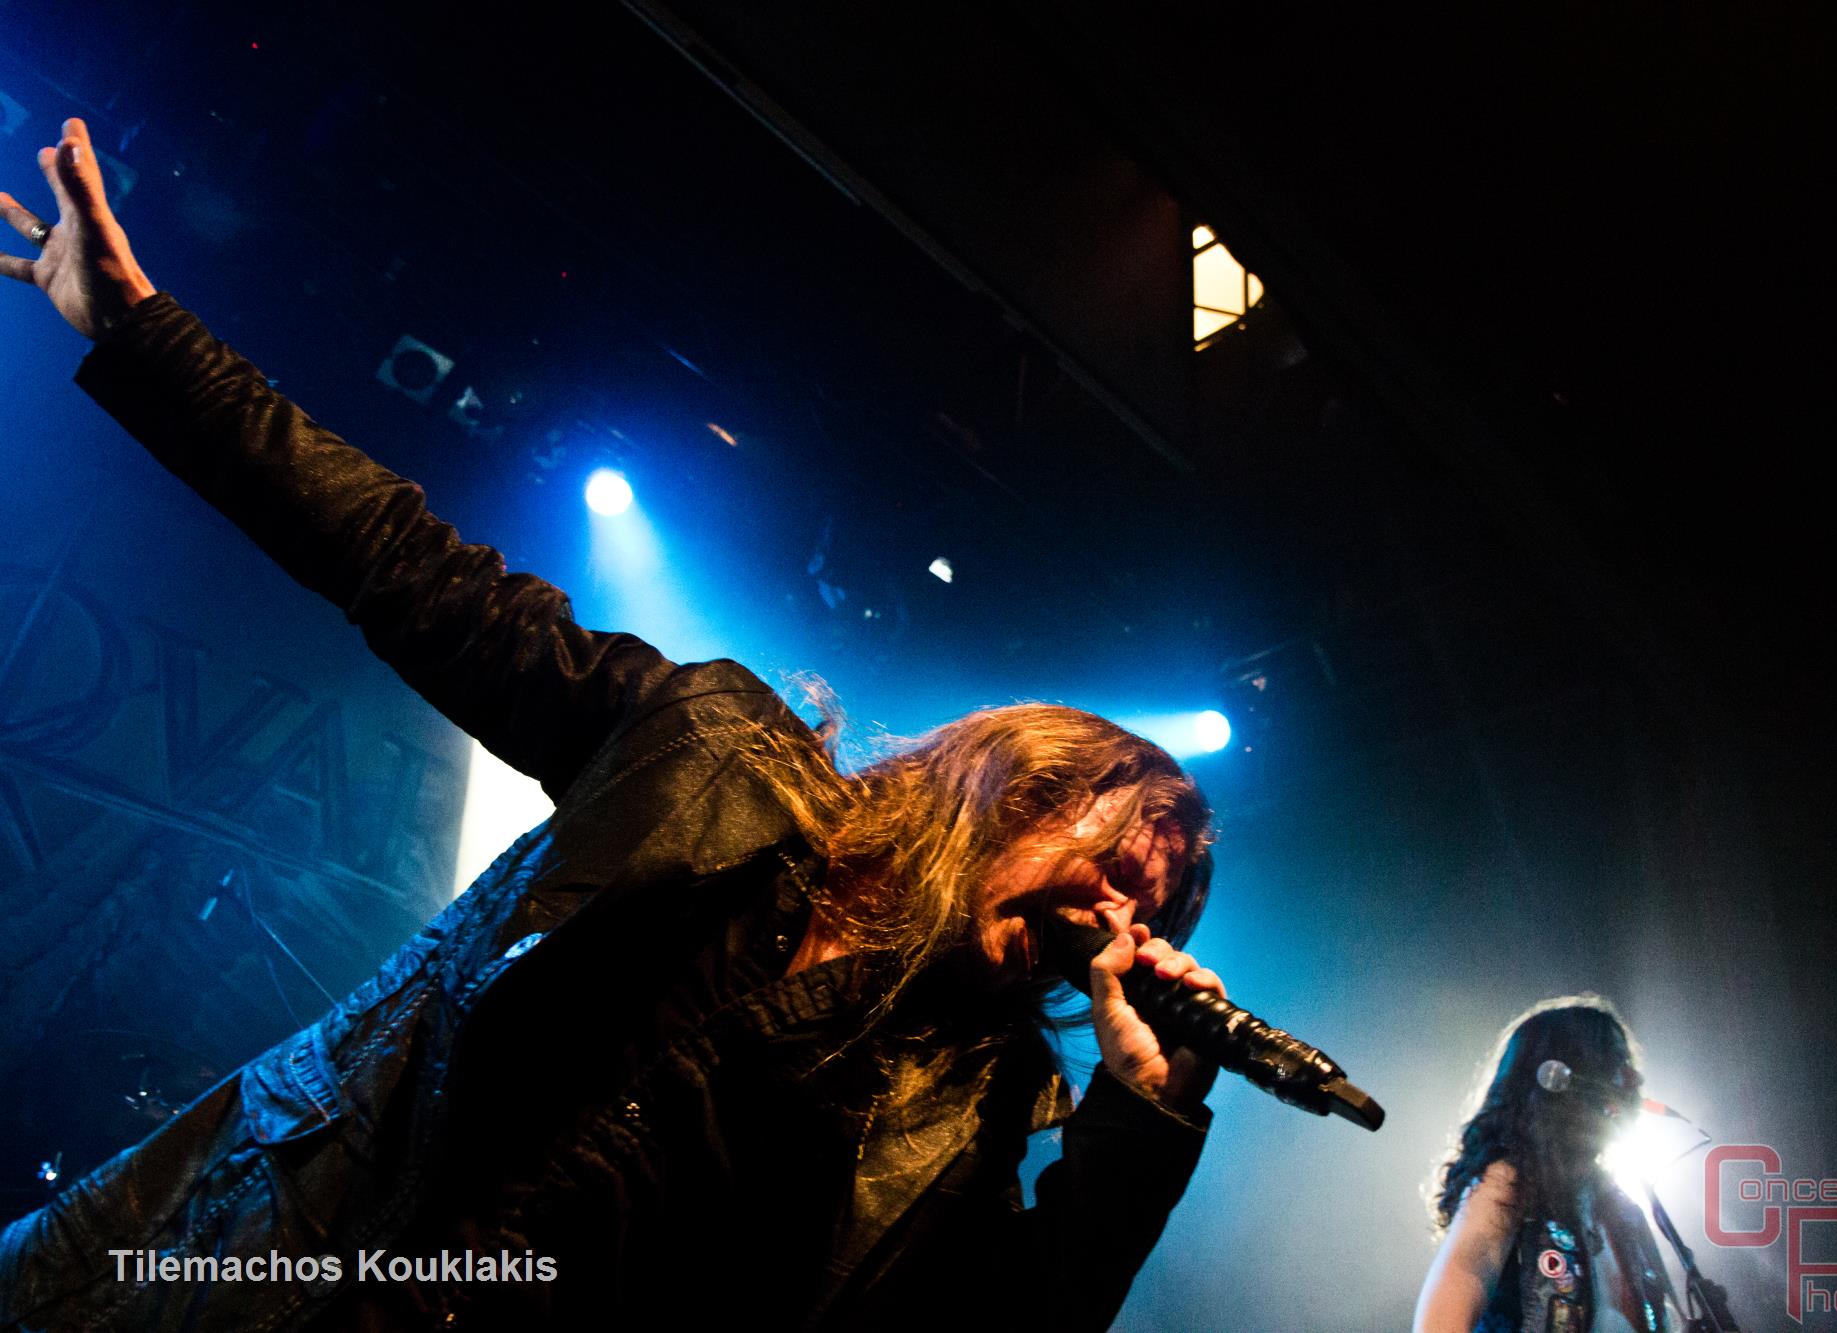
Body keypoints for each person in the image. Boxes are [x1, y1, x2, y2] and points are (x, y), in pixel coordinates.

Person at [0, 118, 1230, 1331]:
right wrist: (143, 335)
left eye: (1151, 915)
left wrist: (1144, 1122)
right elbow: (402, 564)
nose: (1119, 922)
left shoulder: (974, 1112)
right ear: (1018, 791)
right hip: (244, 1263)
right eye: (1119, 870)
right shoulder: (711, 757)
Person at [1414, 997, 1679, 1333]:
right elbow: (1439, 1323)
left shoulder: (1623, 1211)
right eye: (1617, 1061)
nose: (1635, 1078)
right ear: (1564, 1078)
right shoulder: (1509, 1183)